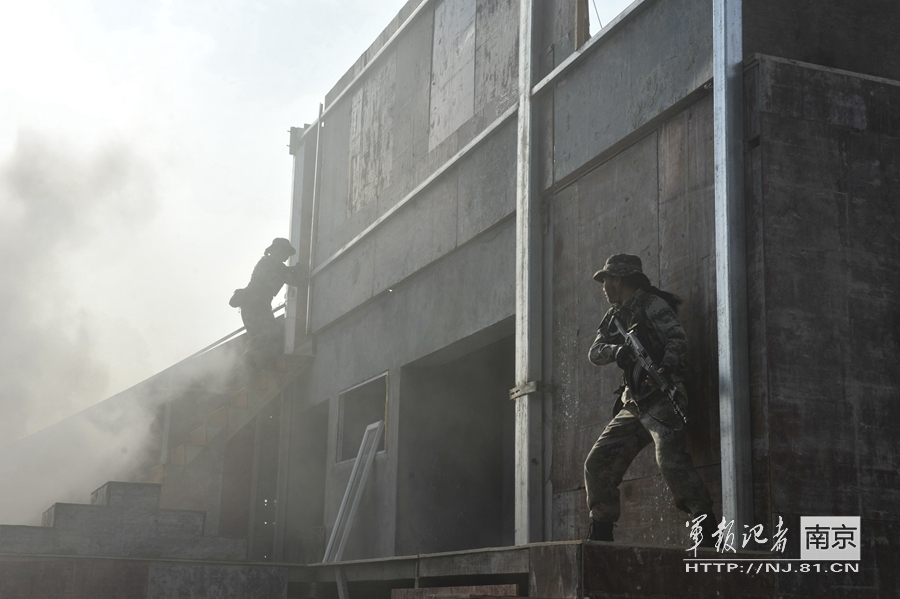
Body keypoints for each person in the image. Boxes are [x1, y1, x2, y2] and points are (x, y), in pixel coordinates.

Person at [583, 253, 716, 545]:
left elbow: (676, 340)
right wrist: (617, 352)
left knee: (669, 460)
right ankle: (602, 529)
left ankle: (706, 528)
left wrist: (664, 367)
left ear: (619, 280)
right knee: (598, 461)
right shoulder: (614, 317)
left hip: (663, 396)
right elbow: (594, 352)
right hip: (635, 402)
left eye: (607, 281)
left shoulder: (652, 304)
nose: (604, 287)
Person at [234, 238, 306, 369]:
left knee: (265, 336)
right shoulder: (271, 264)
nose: (287, 255)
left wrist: (293, 270)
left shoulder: (270, 263)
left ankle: (251, 368)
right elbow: (296, 281)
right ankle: (246, 369)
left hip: (256, 306)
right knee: (266, 335)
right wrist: (299, 271)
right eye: (285, 252)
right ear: (276, 250)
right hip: (255, 306)